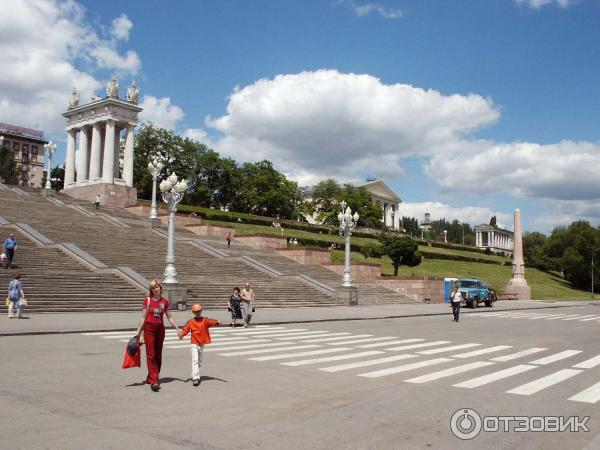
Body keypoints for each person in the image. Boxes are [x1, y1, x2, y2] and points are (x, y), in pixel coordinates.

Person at [135, 279, 180, 392]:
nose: (156, 289)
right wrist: (138, 332)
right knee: (151, 355)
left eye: (157, 287)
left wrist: (178, 329)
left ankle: (151, 377)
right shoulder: (148, 300)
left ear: (160, 288)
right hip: (149, 328)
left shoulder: (165, 301)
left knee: (158, 355)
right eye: (153, 288)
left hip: (160, 329)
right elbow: (143, 318)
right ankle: (155, 381)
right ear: (151, 290)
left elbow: (169, 317)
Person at [178, 304, 221, 386]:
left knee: (199, 362)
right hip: (194, 343)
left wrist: (217, 322)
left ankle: (194, 373)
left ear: (201, 311)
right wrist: (181, 335)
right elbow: (185, 329)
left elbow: (211, 322)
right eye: (195, 311)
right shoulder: (191, 321)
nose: (197, 313)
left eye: (198, 311)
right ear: (193, 312)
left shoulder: (205, 320)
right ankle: (196, 379)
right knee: (195, 360)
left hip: (201, 343)